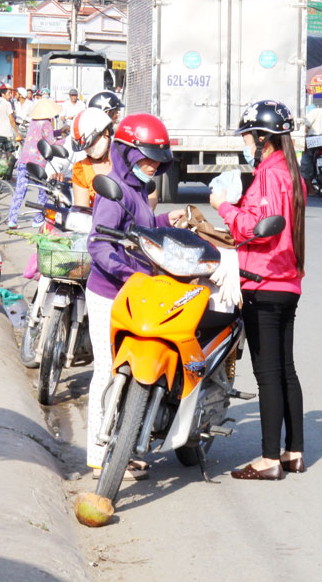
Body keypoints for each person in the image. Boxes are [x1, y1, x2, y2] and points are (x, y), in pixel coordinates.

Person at [86, 114, 185, 480]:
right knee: (106, 372)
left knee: (130, 374)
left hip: (135, 293)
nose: (152, 164)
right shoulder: (113, 189)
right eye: (145, 157)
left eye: (157, 160)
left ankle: (121, 448)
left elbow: (138, 230)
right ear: (126, 153)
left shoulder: (138, 190)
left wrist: (165, 221)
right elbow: (99, 246)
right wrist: (130, 274)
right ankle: (98, 455)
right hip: (108, 295)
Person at [211, 100, 306, 481]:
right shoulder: (292, 174)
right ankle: (293, 451)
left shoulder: (269, 175)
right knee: (286, 369)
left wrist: (223, 206)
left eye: (249, 136)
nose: (247, 143)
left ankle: (269, 459)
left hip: (263, 280)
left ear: (263, 138)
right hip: (288, 281)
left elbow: (252, 227)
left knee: (267, 373)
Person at [7, 98, 61, 229]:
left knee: (20, 189)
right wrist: (64, 140)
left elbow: (43, 136)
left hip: (24, 159)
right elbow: (51, 142)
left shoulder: (34, 122)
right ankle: (38, 218)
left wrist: (59, 132)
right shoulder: (47, 123)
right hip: (36, 162)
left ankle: (12, 220)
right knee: (44, 189)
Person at [70, 108, 114, 208]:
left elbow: (149, 194)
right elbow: (82, 210)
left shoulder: (126, 160)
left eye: (90, 144)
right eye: (85, 147)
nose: (88, 149)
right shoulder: (81, 169)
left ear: (106, 133)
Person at [301, 99, 322, 195]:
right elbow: (306, 126)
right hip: (311, 142)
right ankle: (310, 189)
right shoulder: (316, 112)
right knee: (306, 165)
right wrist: (304, 141)